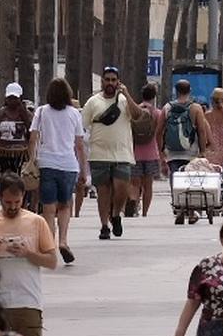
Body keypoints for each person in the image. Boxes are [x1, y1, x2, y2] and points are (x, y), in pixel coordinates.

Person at [0, 173, 58, 336]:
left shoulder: (37, 222)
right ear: (0, 198)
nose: (12, 207)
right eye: (8, 203)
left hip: (28, 303)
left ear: (23, 197)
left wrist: (27, 253)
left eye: (17, 202)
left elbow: (51, 261)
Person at [82, 66, 146, 240]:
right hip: (99, 154)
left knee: (121, 189)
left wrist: (127, 94)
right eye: (107, 79)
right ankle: (104, 226)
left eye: (113, 80)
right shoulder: (93, 102)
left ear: (118, 82)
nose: (110, 83)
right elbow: (84, 124)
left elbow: (138, 115)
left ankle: (116, 214)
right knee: (103, 191)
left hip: (122, 154)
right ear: (102, 81)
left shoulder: (124, 100)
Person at [28, 77, 87, 265]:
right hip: (68, 165)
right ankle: (63, 240)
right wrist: (84, 169)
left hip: (47, 163)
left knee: (48, 208)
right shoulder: (74, 114)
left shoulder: (42, 111)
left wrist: (32, 159)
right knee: (64, 206)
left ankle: (49, 246)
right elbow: (79, 144)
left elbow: (33, 138)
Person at [162, 79, 211, 182]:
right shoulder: (196, 108)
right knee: (190, 186)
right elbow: (202, 131)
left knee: (176, 185)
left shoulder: (167, 108)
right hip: (191, 154)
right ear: (190, 90)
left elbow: (159, 132)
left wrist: (161, 152)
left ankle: (175, 198)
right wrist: (202, 151)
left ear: (176, 91)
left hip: (172, 154)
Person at [130, 83, 165, 217]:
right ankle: (145, 212)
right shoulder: (157, 113)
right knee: (148, 186)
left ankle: (133, 205)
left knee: (134, 184)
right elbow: (159, 133)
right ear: (154, 96)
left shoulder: (136, 111)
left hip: (135, 153)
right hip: (151, 153)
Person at [0, 82, 34, 177]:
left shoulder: (28, 115)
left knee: (20, 182)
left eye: (15, 98)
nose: (12, 101)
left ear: (20, 98)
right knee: (6, 181)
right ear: (6, 98)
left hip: (21, 155)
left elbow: (32, 136)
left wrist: (25, 117)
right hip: (3, 155)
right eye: (10, 98)